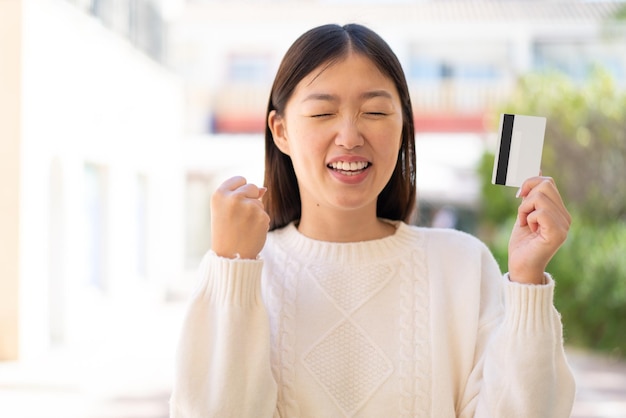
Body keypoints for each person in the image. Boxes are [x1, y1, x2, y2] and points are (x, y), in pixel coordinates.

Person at [169, 23, 575, 417]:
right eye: (323, 112)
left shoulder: (462, 264)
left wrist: (526, 280)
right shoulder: (246, 273)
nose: (349, 136)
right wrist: (233, 267)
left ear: (403, 127)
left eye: (376, 111)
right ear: (280, 131)